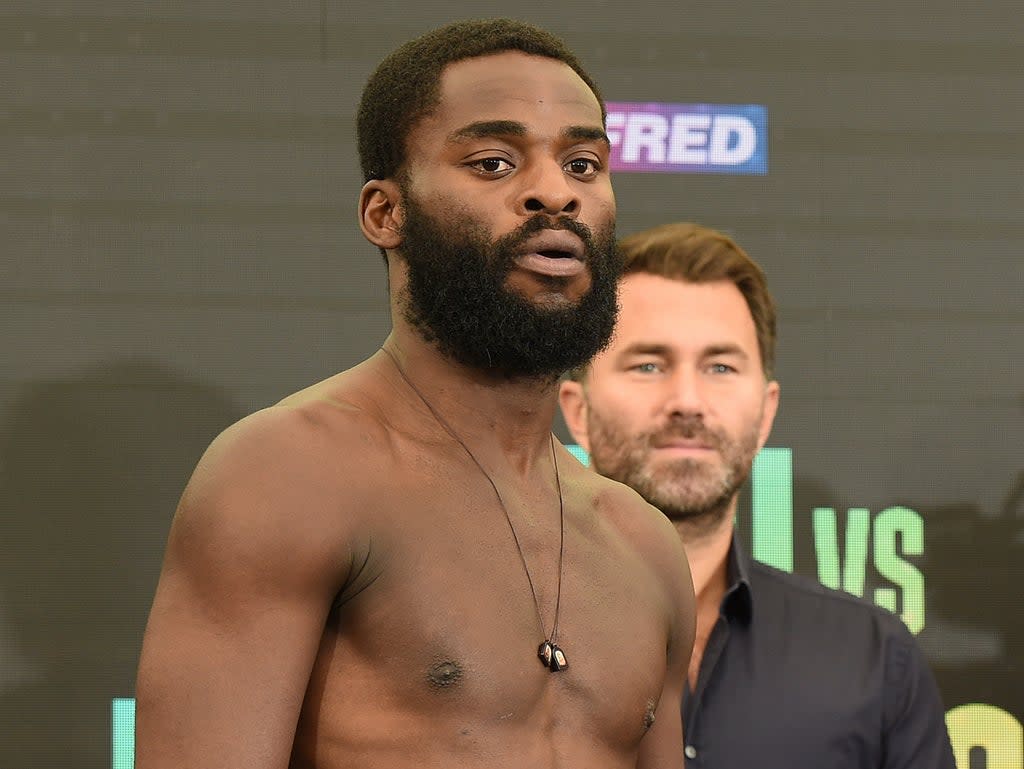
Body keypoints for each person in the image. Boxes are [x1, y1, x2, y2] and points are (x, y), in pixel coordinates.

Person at [134, 19, 695, 769]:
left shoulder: (645, 546)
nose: (554, 193)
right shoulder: (289, 475)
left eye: (584, 164)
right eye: (494, 163)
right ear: (385, 213)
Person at [559, 222, 956, 768]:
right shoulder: (477, 642)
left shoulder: (873, 657)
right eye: (648, 365)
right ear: (576, 410)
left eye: (720, 367)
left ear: (766, 413)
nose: (687, 401)